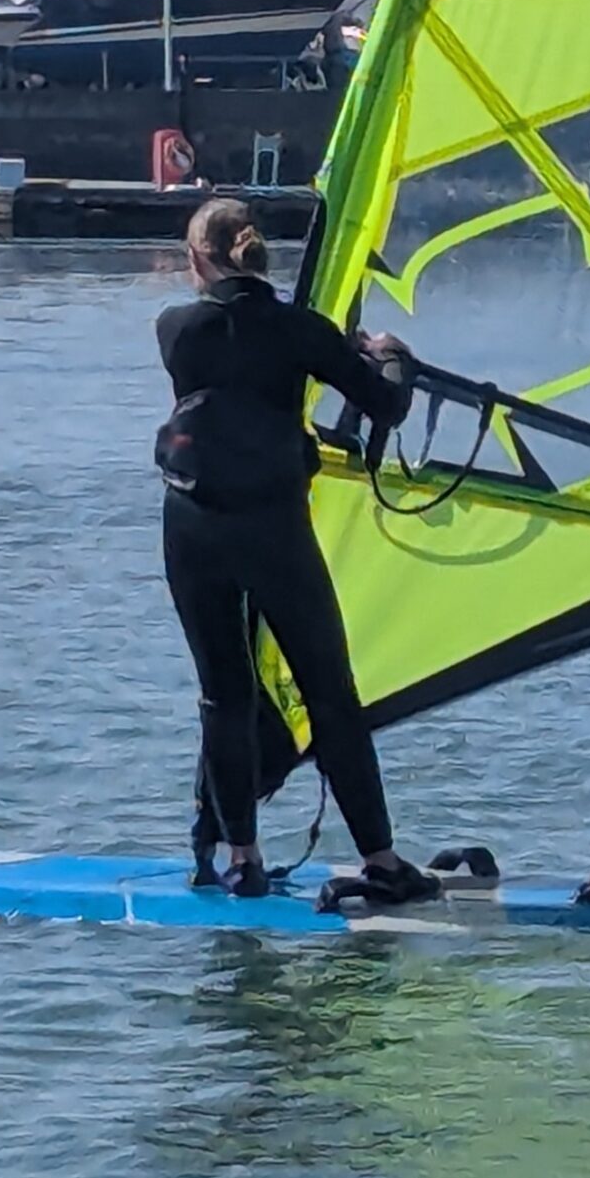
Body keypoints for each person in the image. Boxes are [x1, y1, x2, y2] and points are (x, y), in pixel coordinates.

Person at [154, 195, 438, 903]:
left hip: (192, 525)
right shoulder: (301, 330)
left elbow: (232, 350)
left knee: (224, 694)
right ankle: (381, 859)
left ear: (197, 260)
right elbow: (386, 405)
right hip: (273, 527)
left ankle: (241, 859)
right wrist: (391, 357)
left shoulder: (175, 328)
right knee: (330, 695)